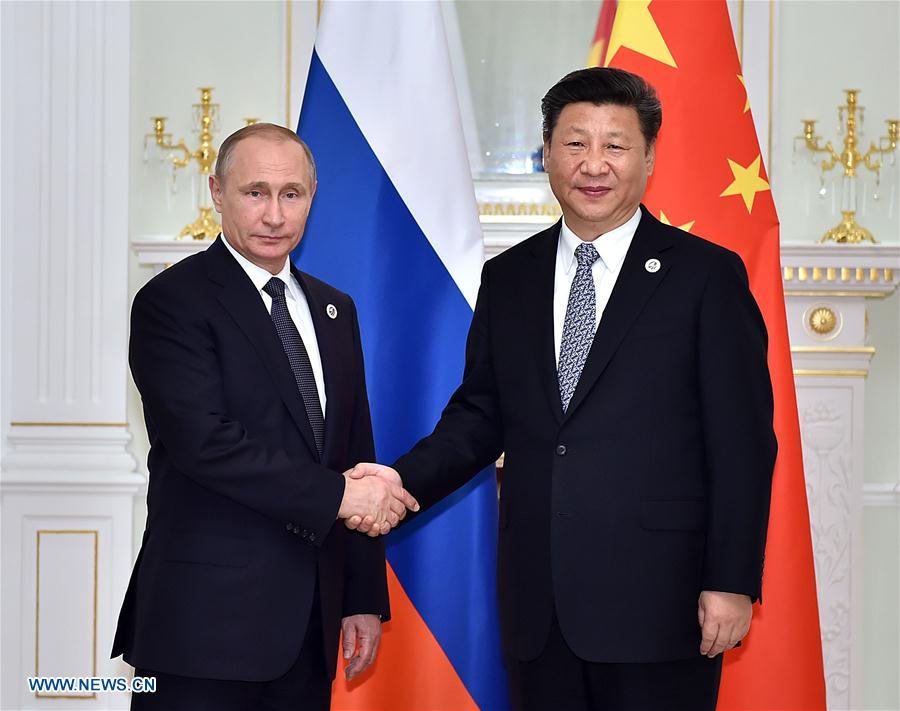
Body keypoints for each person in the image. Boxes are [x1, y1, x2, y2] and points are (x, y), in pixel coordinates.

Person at [347, 68, 776, 710]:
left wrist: (731, 579)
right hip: (539, 608)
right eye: (575, 143)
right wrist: (397, 482)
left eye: (616, 145)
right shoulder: (509, 277)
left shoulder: (706, 277)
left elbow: (743, 443)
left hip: (662, 604)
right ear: (546, 154)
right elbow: (480, 415)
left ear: (650, 157)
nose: (594, 164)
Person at [112, 123, 418, 711]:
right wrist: (340, 497)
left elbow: (354, 449)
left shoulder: (335, 309)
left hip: (310, 624)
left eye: (292, 194)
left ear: (311, 198)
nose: (275, 214)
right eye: (255, 193)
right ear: (217, 192)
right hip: (202, 625)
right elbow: (205, 443)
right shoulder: (172, 302)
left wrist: (359, 595)